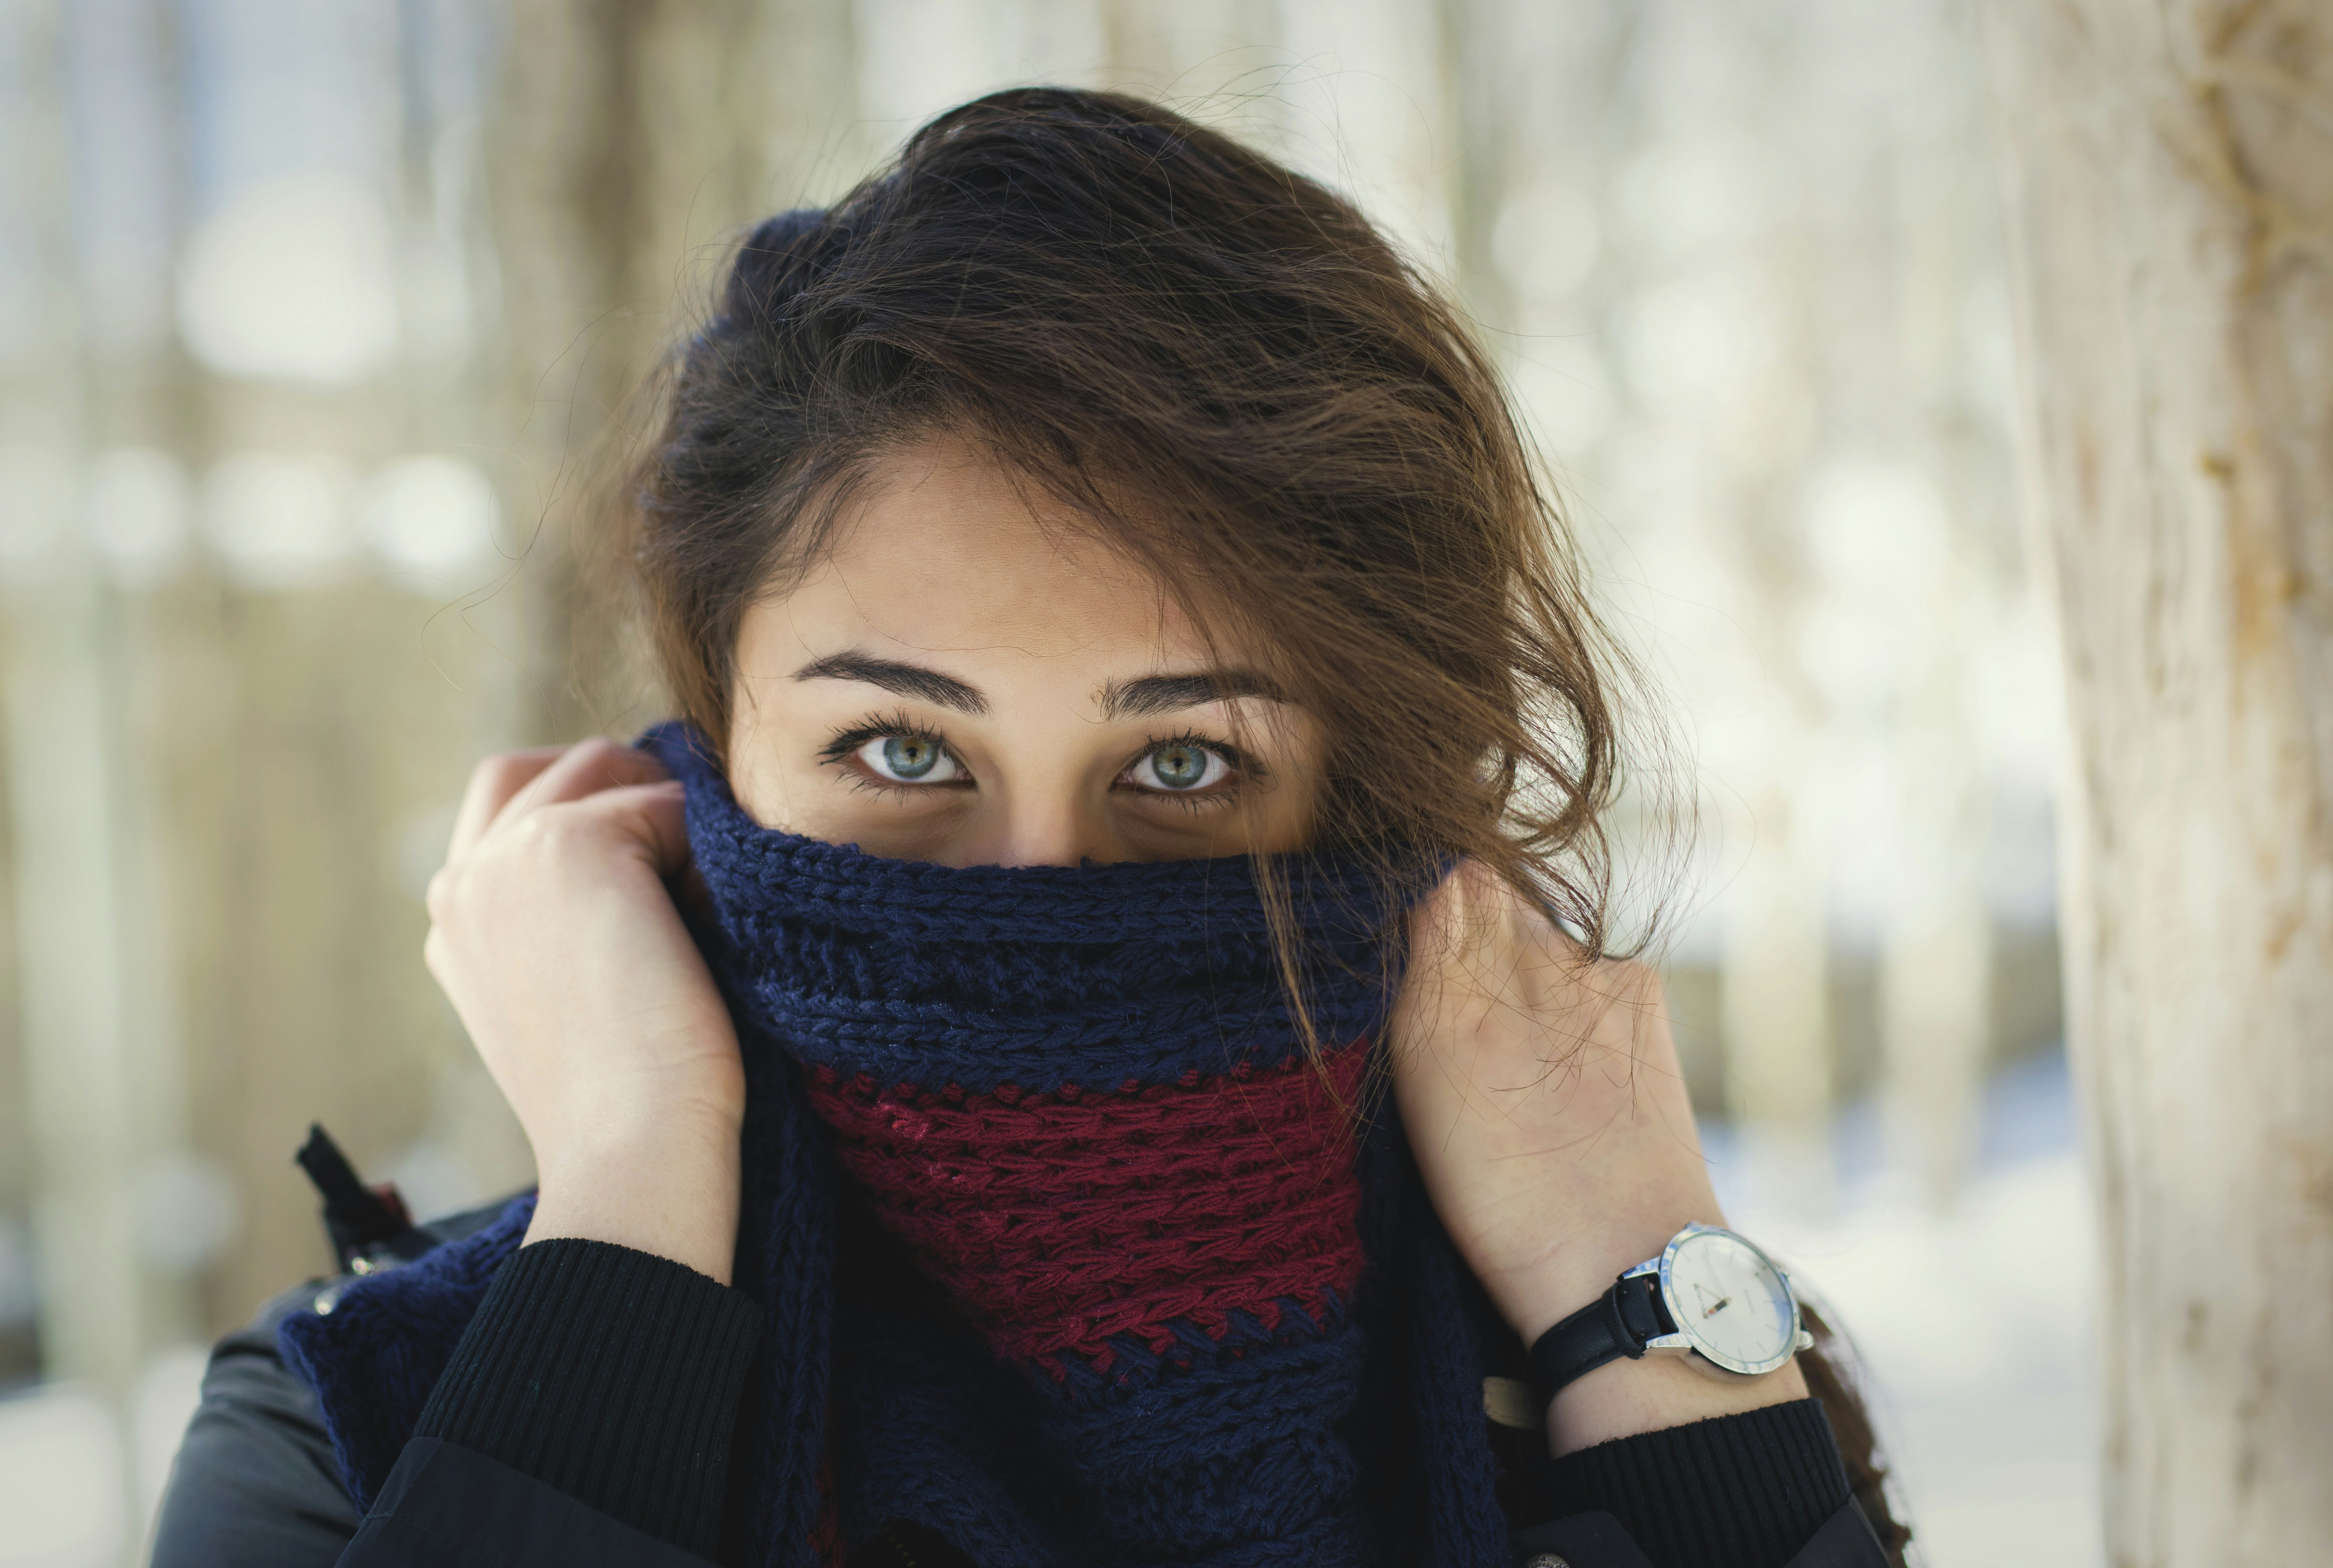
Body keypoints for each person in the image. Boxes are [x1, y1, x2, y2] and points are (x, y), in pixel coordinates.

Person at [151, 89, 1909, 1568]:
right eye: (904, 747)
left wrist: (1638, 1287)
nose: (1030, 892)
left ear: (1358, 794)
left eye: (1182, 767)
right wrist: (626, 1192)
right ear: (713, 755)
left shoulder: (1586, 1368)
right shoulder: (355, 1433)